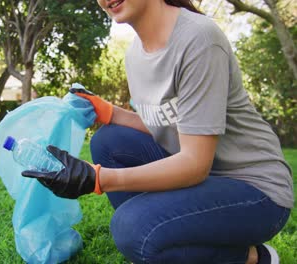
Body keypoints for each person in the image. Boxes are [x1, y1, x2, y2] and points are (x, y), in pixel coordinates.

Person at [21, 1, 293, 263]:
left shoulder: (198, 39)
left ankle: (251, 256)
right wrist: (109, 113)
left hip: (255, 191)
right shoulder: (134, 55)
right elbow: (169, 126)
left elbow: (195, 164)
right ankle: (157, 237)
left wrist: (98, 179)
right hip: (207, 177)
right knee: (108, 140)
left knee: (132, 228)